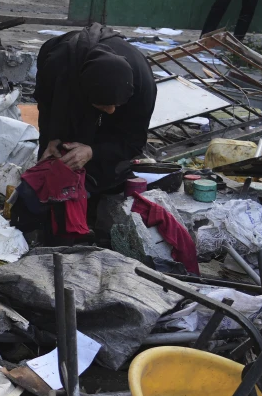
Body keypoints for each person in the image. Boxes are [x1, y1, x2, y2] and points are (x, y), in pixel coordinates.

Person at [13, 25, 156, 241]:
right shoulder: (57, 65)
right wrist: (51, 138)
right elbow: (47, 105)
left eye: (115, 105)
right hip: (71, 82)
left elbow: (133, 140)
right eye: (103, 105)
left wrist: (92, 151)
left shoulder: (142, 85)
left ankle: (86, 216)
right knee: (50, 174)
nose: (111, 111)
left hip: (110, 111)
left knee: (104, 173)